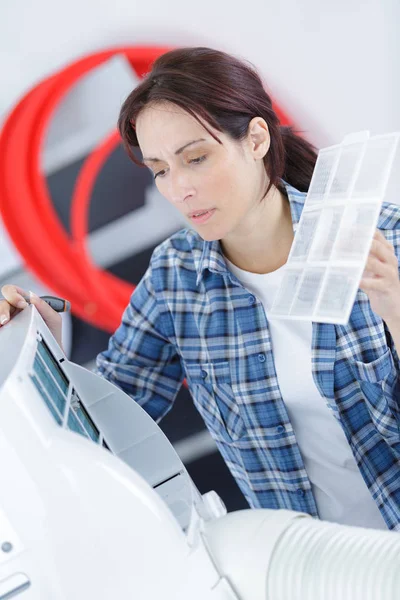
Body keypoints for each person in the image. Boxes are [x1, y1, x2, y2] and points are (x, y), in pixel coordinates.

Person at [2, 47, 400, 531]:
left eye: (196, 158)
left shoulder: (382, 238)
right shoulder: (176, 279)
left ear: (255, 139)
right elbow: (103, 427)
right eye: (161, 169)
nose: (178, 189)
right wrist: (44, 349)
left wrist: (396, 311)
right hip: (307, 565)